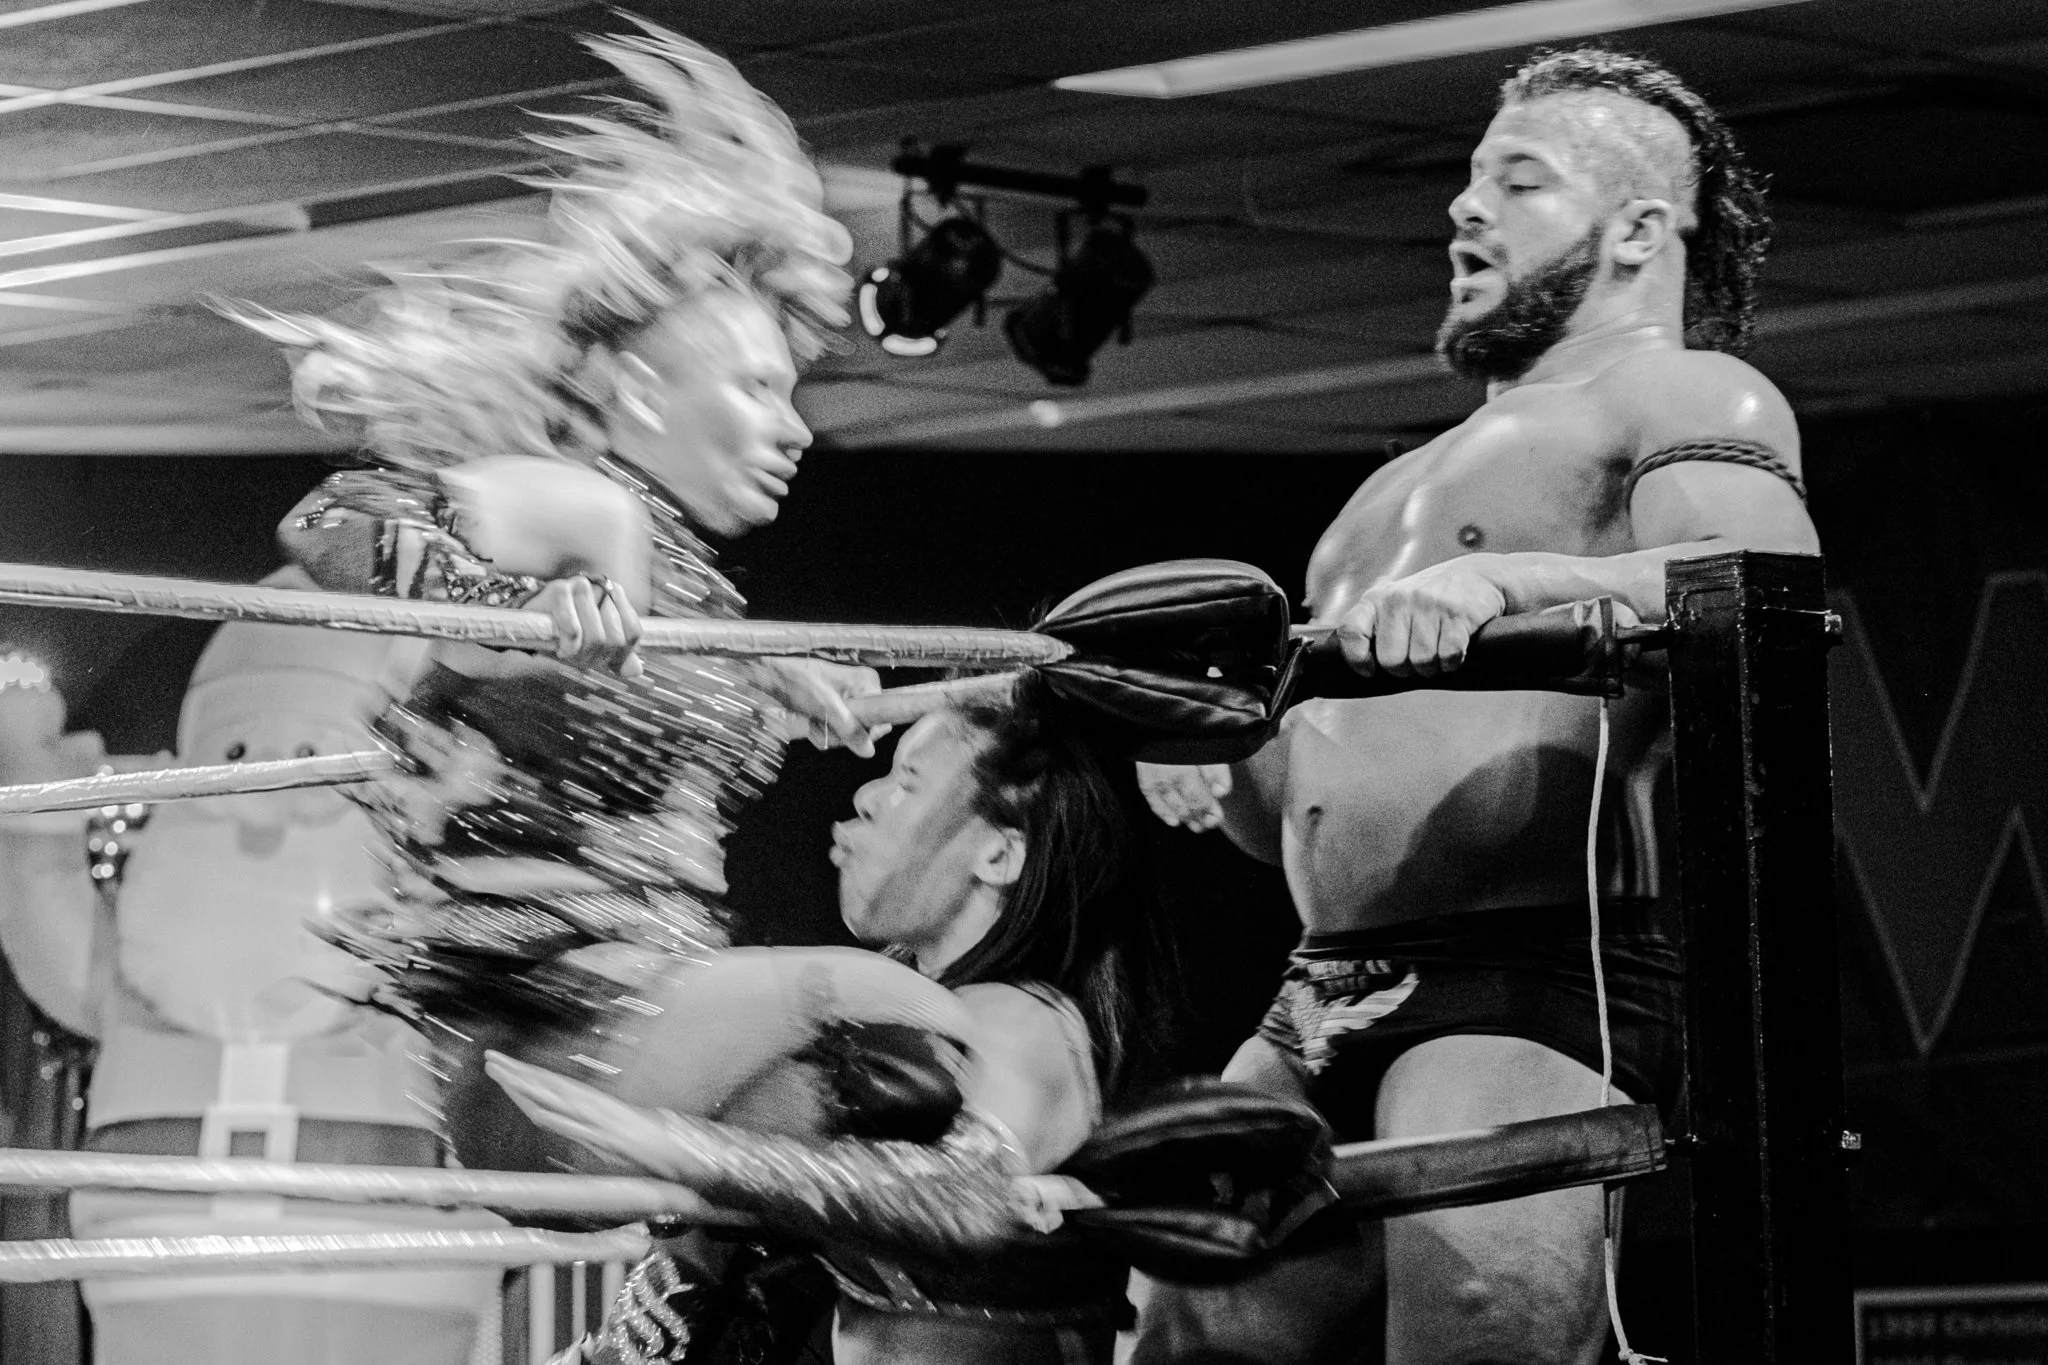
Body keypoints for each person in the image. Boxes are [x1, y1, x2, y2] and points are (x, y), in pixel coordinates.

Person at [1130, 48, 1821, 1365]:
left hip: (1530, 973)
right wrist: (1218, 745)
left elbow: (1760, 596)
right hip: (1317, 987)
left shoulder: (1681, 393)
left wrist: (1512, 578)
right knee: (1179, 1332)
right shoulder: (1383, 494)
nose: (1465, 206)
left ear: (1637, 229)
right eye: (1468, 179)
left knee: (1478, 1341)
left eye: (1518, 180)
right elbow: (1291, 823)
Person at [235, 20, 883, 1166]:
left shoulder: (685, 583)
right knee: (873, 1017)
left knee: (884, 1122)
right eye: (755, 387)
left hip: (643, 1019)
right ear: (640, 391)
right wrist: (492, 608)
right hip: (552, 1040)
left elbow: (630, 695)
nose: (794, 428)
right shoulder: (583, 505)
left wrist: (773, 673)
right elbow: (330, 523)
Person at [491, 675, 1181, 1365]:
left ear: (997, 854)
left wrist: (685, 1147)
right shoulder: (894, 1021)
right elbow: (709, 1263)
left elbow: (965, 1192)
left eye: (908, 782)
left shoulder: (1026, 1022)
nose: (867, 797)